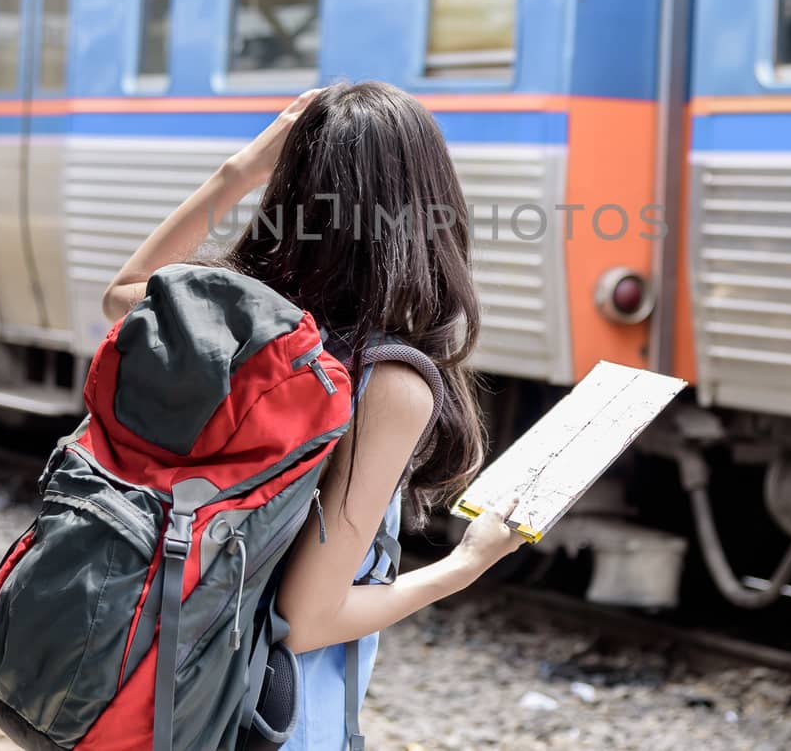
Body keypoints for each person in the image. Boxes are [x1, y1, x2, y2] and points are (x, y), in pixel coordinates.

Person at [101, 80, 527, 750]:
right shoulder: (385, 381)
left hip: (169, 689)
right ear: (428, 208)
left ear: (290, 191)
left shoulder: (234, 322)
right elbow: (306, 618)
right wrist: (464, 566)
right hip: (268, 724)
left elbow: (121, 294)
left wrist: (241, 169)